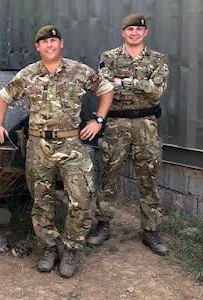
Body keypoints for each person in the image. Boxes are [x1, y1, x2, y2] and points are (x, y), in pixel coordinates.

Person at [0, 25, 114, 278]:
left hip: (71, 144)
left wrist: (98, 120)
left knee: (81, 199)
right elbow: (4, 97)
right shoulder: (28, 74)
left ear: (61, 44)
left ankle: (70, 250)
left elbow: (106, 90)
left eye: (54, 41)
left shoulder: (79, 71)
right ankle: (49, 248)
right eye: (44, 42)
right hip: (38, 147)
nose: (50, 45)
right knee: (41, 201)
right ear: (38, 47)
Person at [87, 14, 170, 256]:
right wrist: (137, 83)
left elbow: (156, 93)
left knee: (149, 178)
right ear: (123, 32)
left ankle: (151, 230)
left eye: (139, 30)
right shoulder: (109, 57)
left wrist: (124, 82)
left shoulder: (157, 59)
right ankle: (103, 225)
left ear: (146, 33)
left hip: (146, 125)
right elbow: (103, 86)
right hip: (115, 125)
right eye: (130, 29)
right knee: (108, 176)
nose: (134, 33)